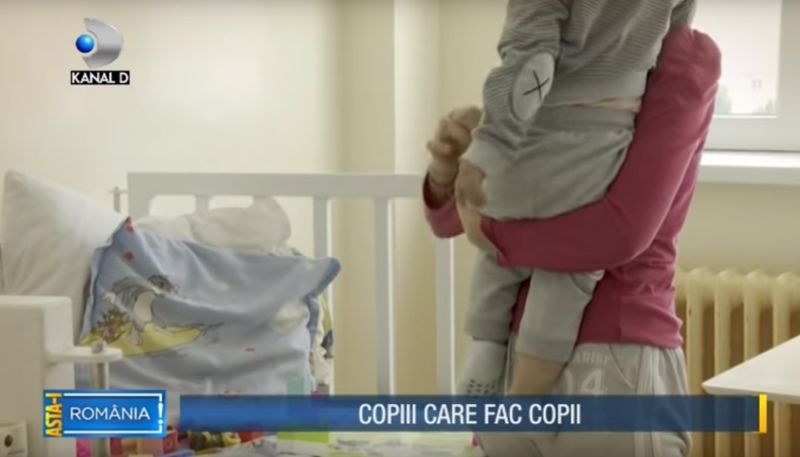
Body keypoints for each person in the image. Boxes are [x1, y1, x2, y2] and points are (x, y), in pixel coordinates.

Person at [424, 27, 721, 456]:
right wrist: (447, 172)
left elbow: (621, 231)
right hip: (520, 356)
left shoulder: (676, 58)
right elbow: (465, 216)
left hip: (601, 354)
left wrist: (491, 233)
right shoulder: (554, 47)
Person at [450, 0, 698, 397]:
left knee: (498, 255)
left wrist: (486, 149)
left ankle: (485, 347)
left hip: (532, 133)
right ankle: (528, 390)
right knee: (568, 273)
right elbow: (676, 40)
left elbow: (531, 66)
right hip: (602, 142)